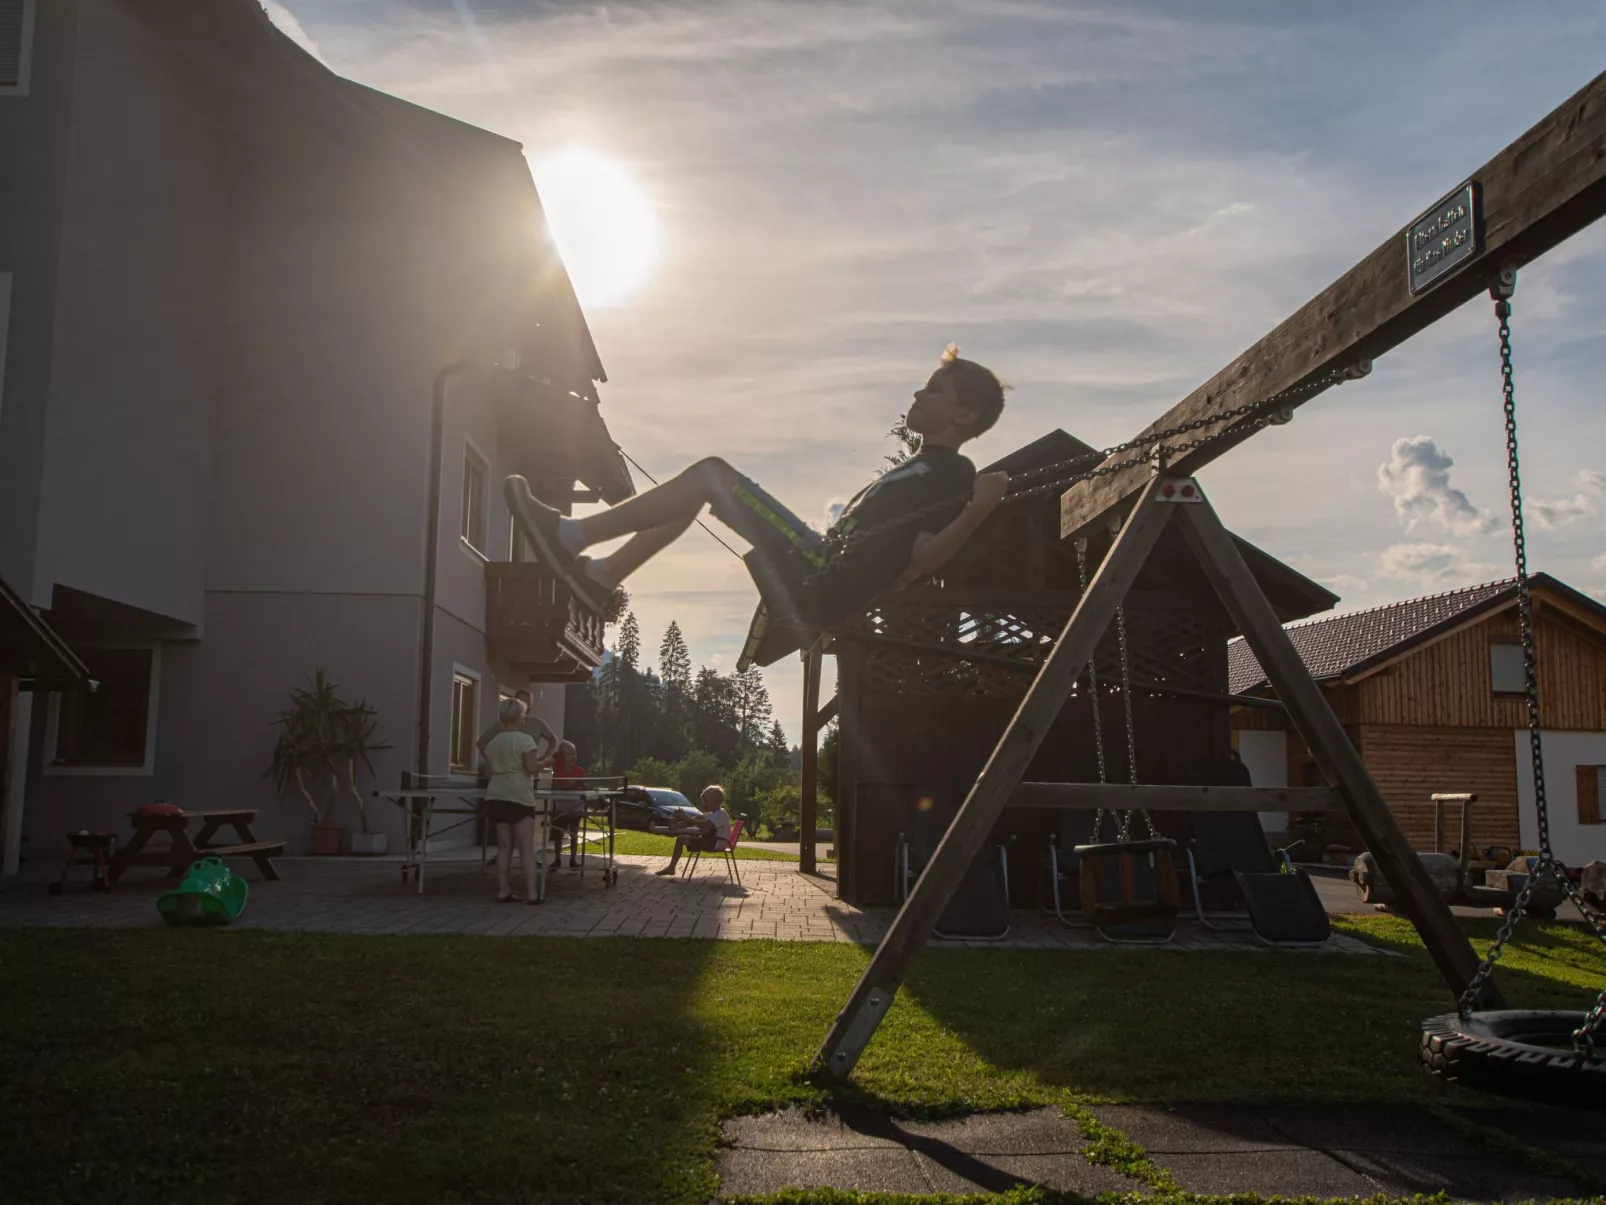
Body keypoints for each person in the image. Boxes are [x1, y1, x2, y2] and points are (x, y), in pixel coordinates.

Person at [506, 345, 1010, 670]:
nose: (920, 392)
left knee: (711, 476)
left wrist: (978, 511)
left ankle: (575, 537)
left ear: (964, 414)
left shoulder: (953, 474)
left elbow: (921, 561)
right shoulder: (918, 468)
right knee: (700, 488)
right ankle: (603, 572)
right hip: (822, 564)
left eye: (935, 389)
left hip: (824, 573)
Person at [483, 696, 544, 904]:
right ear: (520, 717)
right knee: (526, 846)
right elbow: (531, 768)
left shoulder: (493, 743)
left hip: (497, 793)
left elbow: (489, 768)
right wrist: (546, 762)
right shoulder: (526, 740)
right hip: (519, 794)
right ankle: (532, 893)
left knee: (503, 847)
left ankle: (503, 890)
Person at [656, 784, 732, 877]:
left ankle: (671, 867)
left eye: (705, 801)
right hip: (712, 841)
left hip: (716, 844)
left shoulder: (721, 814)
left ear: (715, 801)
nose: (704, 804)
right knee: (699, 817)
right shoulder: (714, 814)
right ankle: (671, 867)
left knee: (681, 839)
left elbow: (705, 829)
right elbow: (699, 820)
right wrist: (678, 820)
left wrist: (686, 818)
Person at [477, 687, 556, 775]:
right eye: (522, 702)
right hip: (510, 777)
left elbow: (553, 740)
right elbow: (481, 743)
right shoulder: (500, 726)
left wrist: (544, 758)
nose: (526, 706)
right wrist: (494, 761)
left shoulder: (536, 723)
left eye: (528, 703)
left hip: (524, 776)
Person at [547, 740, 587, 868]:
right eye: (568, 754)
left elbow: (586, 786)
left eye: (574, 754)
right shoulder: (557, 771)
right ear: (562, 756)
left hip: (575, 807)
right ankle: (557, 859)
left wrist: (582, 785)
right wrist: (567, 786)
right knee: (558, 834)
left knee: (574, 833)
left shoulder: (579, 771)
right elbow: (554, 789)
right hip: (560, 807)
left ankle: (573, 859)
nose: (572, 757)